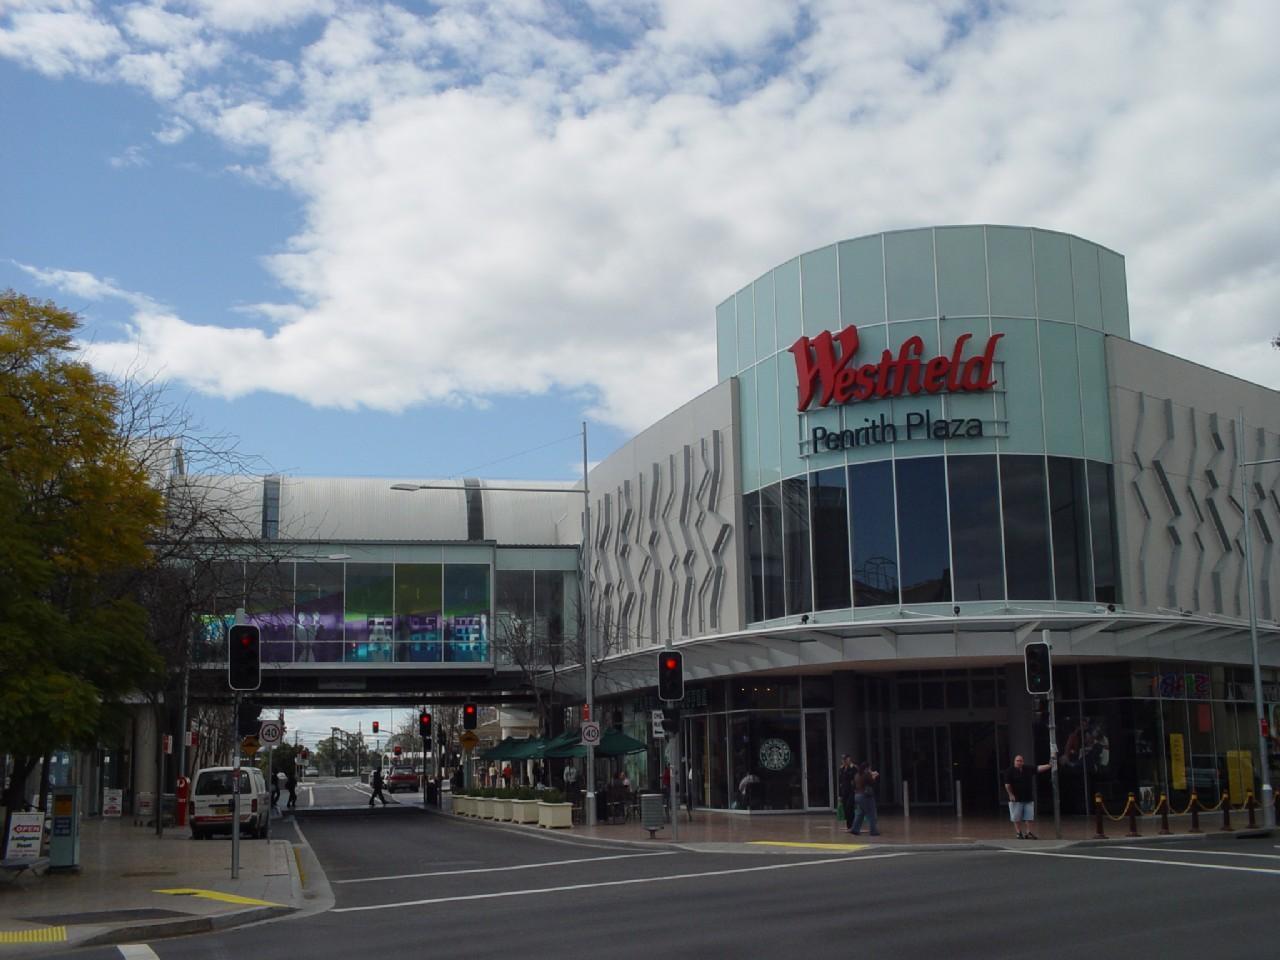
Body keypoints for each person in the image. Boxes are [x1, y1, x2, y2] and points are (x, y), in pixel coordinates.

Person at [1003, 754, 1051, 839]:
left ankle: (1028, 832)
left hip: (1028, 797)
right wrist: (1011, 795)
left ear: (1023, 762)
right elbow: (1007, 785)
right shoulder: (1009, 771)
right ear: (1014, 761)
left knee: (1029, 817)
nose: (1019, 762)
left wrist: (1049, 765)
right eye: (1017, 761)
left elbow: (1038, 768)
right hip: (1016, 799)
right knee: (1016, 817)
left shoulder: (1027, 769)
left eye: (1020, 761)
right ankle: (1018, 832)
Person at [850, 761, 880, 836]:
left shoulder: (857, 774)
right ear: (867, 768)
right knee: (871, 814)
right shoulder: (866, 774)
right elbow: (872, 783)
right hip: (865, 796)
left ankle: (855, 829)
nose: (870, 769)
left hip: (857, 795)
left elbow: (853, 784)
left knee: (860, 813)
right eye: (869, 768)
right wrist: (874, 776)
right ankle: (873, 831)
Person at [837, 755, 856, 831]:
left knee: (849, 808)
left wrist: (851, 767)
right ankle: (849, 826)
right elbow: (840, 782)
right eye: (843, 760)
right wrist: (840, 795)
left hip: (851, 791)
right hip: (844, 791)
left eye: (846, 760)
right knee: (846, 809)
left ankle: (853, 825)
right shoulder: (841, 769)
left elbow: (852, 775)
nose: (845, 761)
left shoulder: (853, 768)